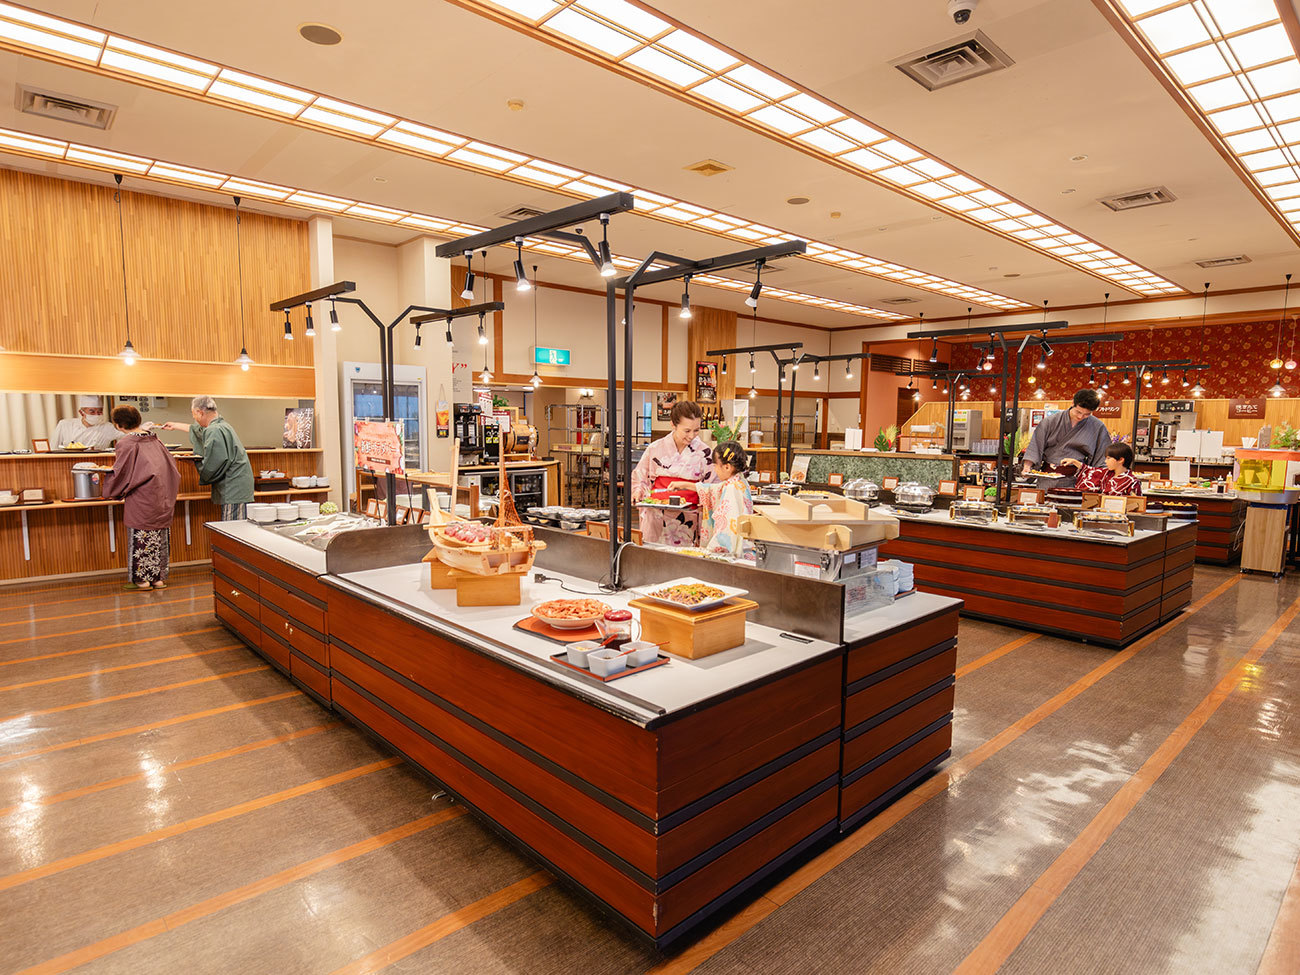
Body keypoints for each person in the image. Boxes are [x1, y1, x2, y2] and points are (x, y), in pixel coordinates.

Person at [102, 405, 181, 590]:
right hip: (161, 496)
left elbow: (122, 473)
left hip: (141, 497)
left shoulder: (127, 443)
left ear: (118, 425)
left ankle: (142, 580)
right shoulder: (155, 440)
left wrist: (109, 488)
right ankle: (158, 579)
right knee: (159, 537)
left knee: (141, 538)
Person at [630, 399, 714, 545]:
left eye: (696, 430)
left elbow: (713, 486)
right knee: (654, 552)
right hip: (656, 514)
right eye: (687, 431)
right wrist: (638, 491)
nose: (692, 436)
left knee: (684, 555)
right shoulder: (655, 448)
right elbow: (640, 476)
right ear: (673, 424)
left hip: (689, 516)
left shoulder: (705, 452)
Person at [161, 396, 253, 520]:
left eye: (194, 414)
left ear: (200, 412)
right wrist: (175, 425)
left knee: (233, 526)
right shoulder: (221, 425)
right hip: (238, 485)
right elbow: (198, 431)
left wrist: (196, 462)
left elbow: (214, 463)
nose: (194, 418)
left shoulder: (214, 430)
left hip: (234, 488)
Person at [675, 440, 755, 557]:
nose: (715, 470)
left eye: (715, 466)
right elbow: (713, 489)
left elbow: (727, 524)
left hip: (732, 550)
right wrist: (684, 485)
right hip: (745, 544)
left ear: (727, 467)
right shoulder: (740, 481)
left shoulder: (732, 488)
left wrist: (713, 549)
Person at [1021, 389, 1111, 488]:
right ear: (1072, 403)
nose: (1080, 417)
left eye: (1086, 414)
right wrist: (1027, 466)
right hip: (1047, 478)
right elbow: (1035, 446)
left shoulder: (1097, 426)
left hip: (1077, 480)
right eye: (1078, 412)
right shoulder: (1050, 421)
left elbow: (1102, 456)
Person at [1068, 442, 1143, 497]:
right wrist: (1075, 462)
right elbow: (1091, 471)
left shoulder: (1132, 482)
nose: (1105, 461)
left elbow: (1137, 503)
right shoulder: (1106, 473)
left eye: (1108, 458)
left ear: (1121, 460)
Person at [51, 395, 117, 450]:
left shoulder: (108, 427)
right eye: (92, 411)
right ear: (81, 413)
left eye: (100, 411)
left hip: (97, 461)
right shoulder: (65, 424)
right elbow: (53, 448)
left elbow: (123, 433)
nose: (96, 414)